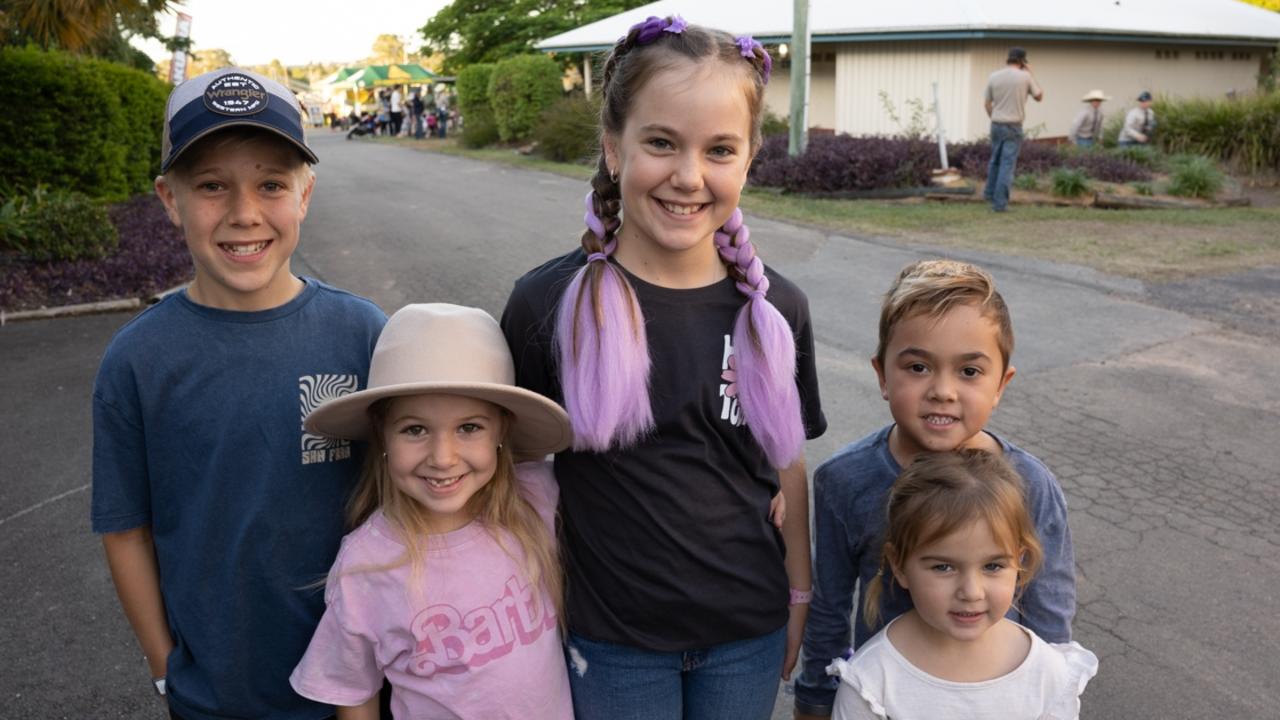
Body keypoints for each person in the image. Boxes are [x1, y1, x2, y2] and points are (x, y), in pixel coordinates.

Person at [501, 15, 826, 720]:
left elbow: (789, 465)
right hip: (611, 640)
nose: (688, 176)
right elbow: (515, 474)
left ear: (748, 159)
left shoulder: (776, 311)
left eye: (719, 150)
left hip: (750, 631)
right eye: (660, 143)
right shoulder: (545, 304)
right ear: (614, 149)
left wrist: (800, 595)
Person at [91, 67, 387, 719]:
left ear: (305, 194)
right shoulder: (137, 361)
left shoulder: (364, 335)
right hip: (216, 696)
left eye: (271, 184)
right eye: (212, 186)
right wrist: (165, 666)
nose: (244, 213)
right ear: (170, 199)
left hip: (361, 693)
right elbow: (125, 530)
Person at [794, 259, 1076, 720]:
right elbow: (829, 609)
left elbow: (1051, 620)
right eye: (919, 366)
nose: (942, 391)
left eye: (969, 372)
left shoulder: (1032, 486)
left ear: (1002, 383)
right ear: (883, 375)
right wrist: (814, 701)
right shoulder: (843, 481)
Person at [289, 303, 575, 719]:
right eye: (415, 429)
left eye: (469, 427)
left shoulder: (537, 498)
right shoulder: (366, 567)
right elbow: (353, 691)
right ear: (382, 435)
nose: (443, 458)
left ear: (502, 431)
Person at [827, 450, 1098, 719]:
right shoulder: (871, 682)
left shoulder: (1047, 672)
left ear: (1020, 561)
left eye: (993, 566)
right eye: (943, 567)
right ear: (899, 566)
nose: (971, 592)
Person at [982, 47, 1044, 212]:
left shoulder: (993, 76)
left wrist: (995, 118)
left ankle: (989, 194)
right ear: (1023, 62)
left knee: (995, 160)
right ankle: (1000, 204)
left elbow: (987, 104)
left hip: (996, 124)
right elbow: (1039, 97)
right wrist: (1031, 74)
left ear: (1008, 59)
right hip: (1013, 126)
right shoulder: (1025, 77)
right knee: (1007, 165)